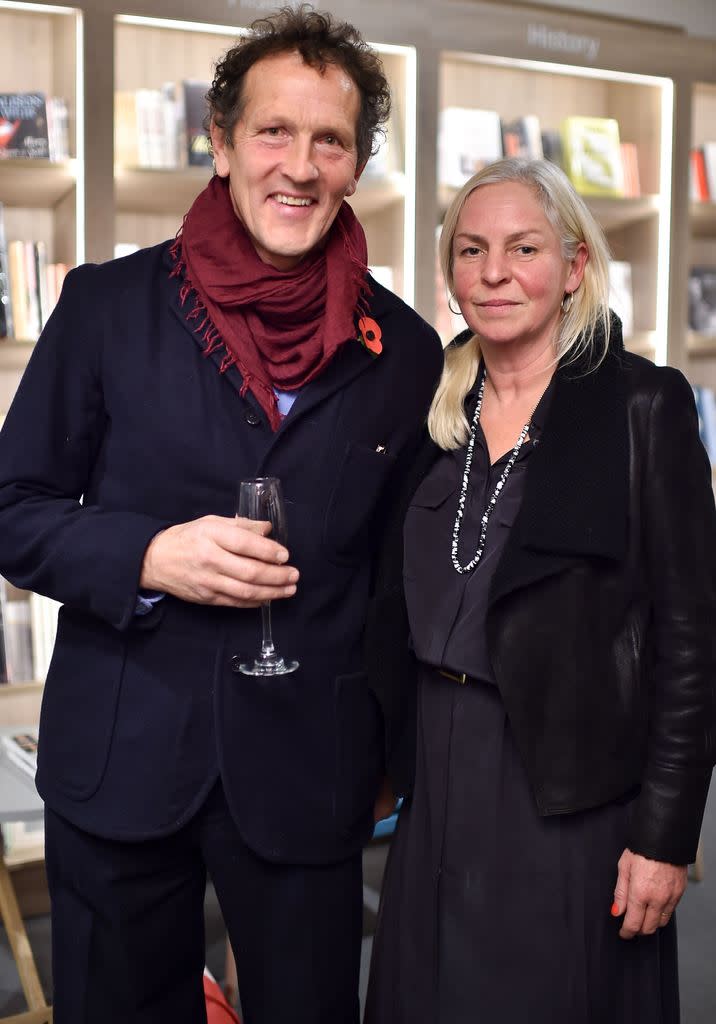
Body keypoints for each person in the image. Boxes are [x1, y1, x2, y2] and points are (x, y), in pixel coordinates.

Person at [0, 7, 442, 1023]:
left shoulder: (405, 350)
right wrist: (148, 553)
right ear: (223, 141)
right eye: (273, 132)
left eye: (328, 139)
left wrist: (387, 757)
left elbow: (393, 582)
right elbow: (11, 508)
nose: (298, 165)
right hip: (121, 759)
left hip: (309, 773)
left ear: (356, 161)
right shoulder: (106, 307)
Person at [364, 157, 716, 1024]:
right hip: (433, 780)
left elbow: (693, 644)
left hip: (566, 792)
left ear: (573, 267)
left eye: (524, 249)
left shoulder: (644, 406)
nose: (494, 273)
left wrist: (664, 838)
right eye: (471, 250)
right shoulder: (429, 406)